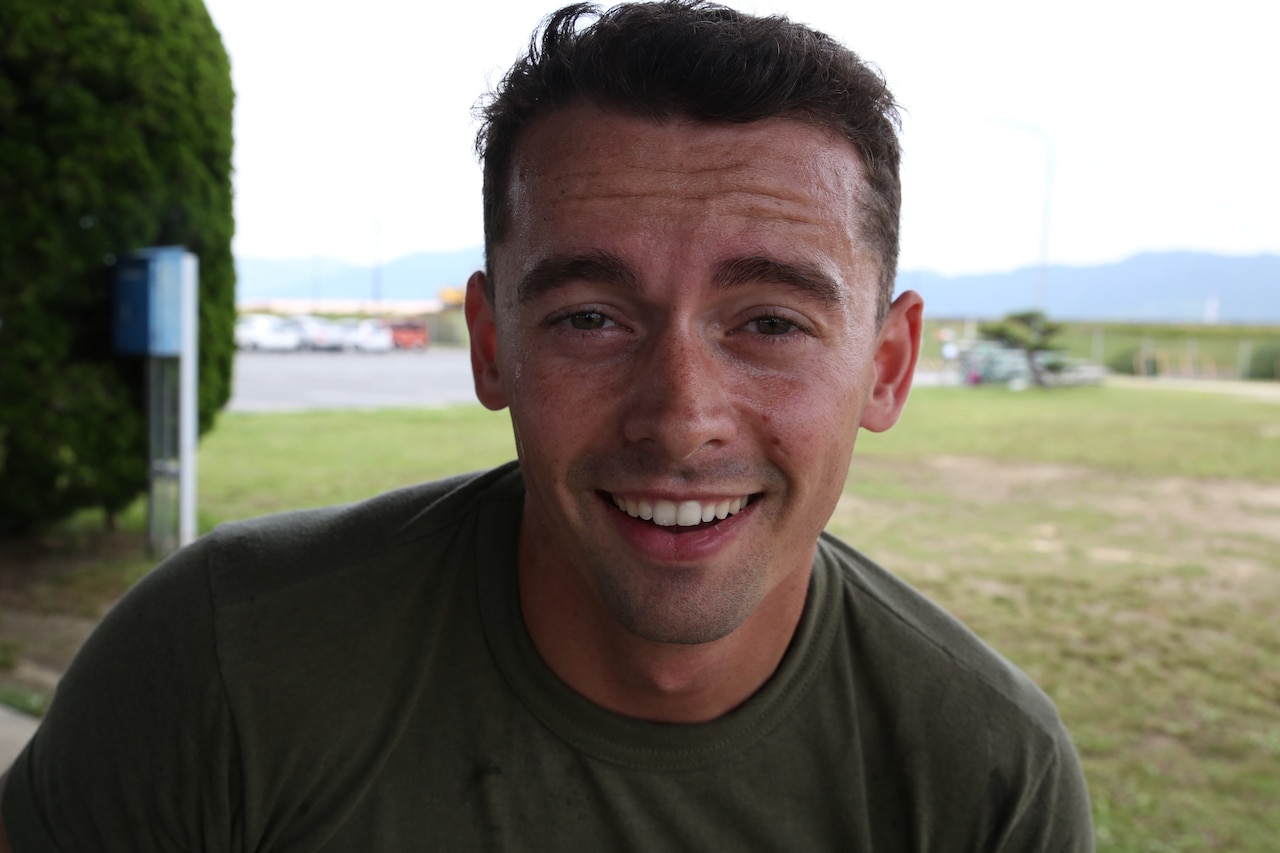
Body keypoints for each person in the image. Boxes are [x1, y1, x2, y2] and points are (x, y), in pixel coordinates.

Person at [0, 1, 1094, 849]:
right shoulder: (221, 662)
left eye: (768, 321)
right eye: (588, 316)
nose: (679, 417)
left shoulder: (982, 775)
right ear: (490, 346)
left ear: (886, 367)